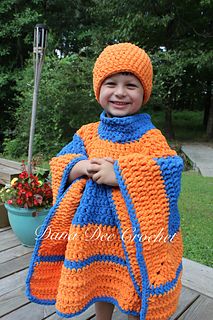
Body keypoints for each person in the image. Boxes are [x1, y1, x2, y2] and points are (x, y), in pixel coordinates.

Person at [26, 43, 184, 320]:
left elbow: (170, 169)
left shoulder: (149, 136)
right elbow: (60, 162)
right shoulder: (88, 134)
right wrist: (80, 166)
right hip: (92, 233)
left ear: (144, 92)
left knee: (132, 285)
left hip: (135, 236)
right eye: (111, 83)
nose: (120, 92)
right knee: (101, 281)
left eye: (131, 85)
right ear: (98, 89)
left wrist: (121, 174)